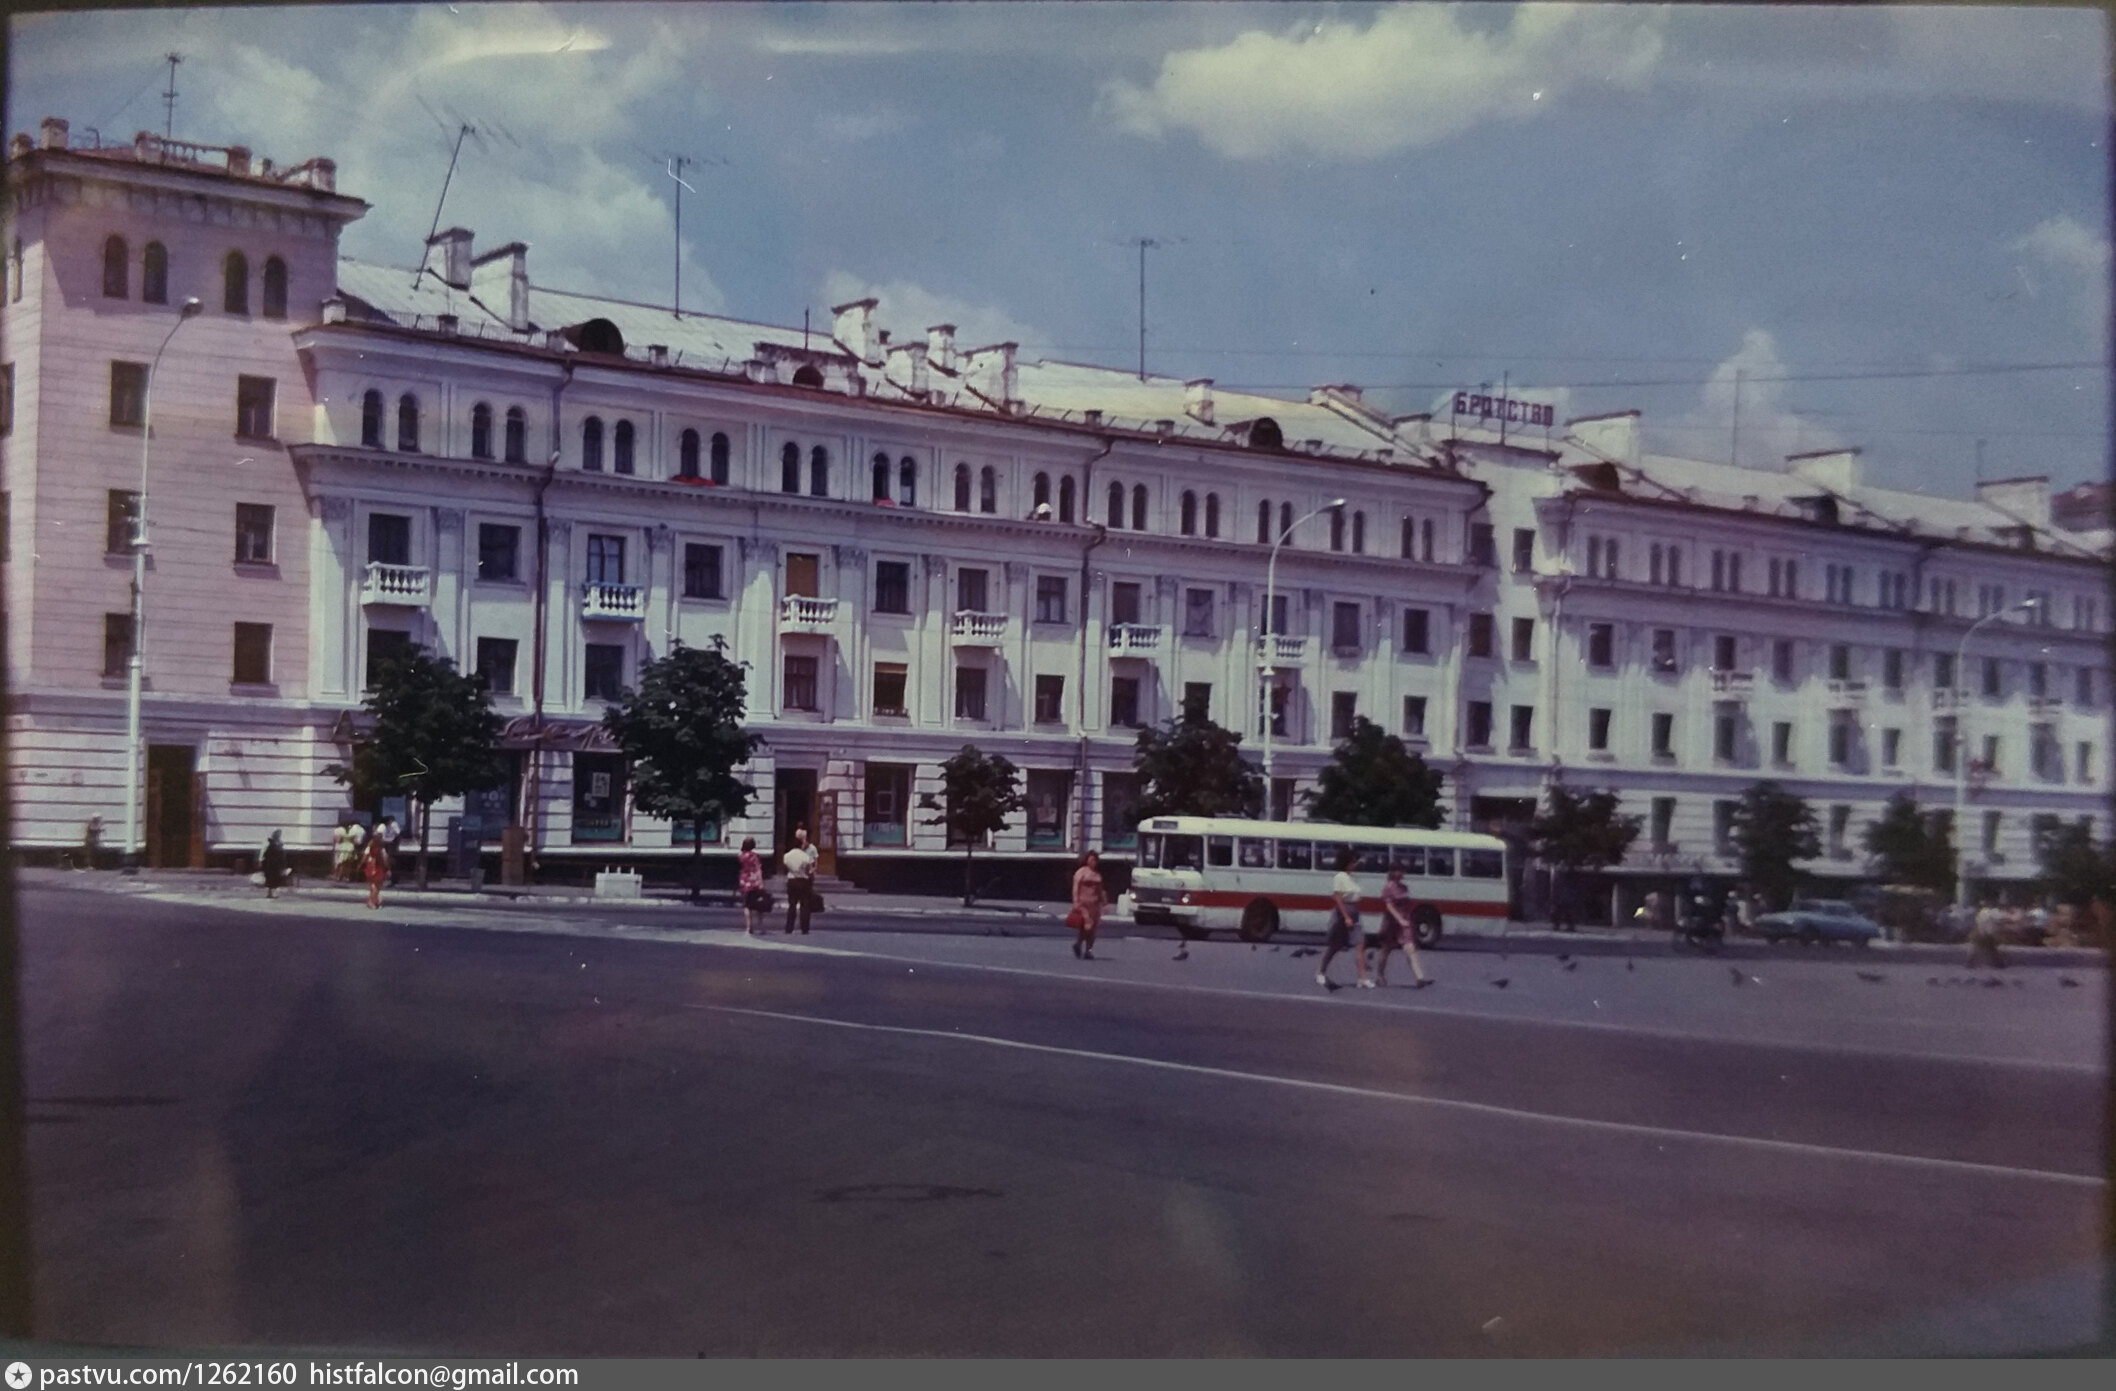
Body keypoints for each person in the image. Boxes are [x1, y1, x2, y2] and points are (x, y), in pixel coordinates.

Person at [1319, 847, 1372, 990]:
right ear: (1346, 863)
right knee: (1335, 946)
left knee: (1360, 944)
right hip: (1343, 914)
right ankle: (1321, 972)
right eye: (1352, 862)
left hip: (1355, 913)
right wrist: (1346, 917)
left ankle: (1362, 979)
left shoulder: (1351, 878)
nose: (1355, 865)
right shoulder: (1339, 877)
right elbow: (1338, 898)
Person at [1373, 863, 1431, 988]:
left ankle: (1419, 978)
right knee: (1386, 950)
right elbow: (1389, 906)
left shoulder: (1404, 887)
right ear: (1393, 872)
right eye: (1399, 871)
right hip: (1392, 923)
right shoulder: (1388, 887)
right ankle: (1380, 975)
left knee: (1410, 948)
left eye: (1403, 871)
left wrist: (1408, 920)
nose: (1402, 873)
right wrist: (1399, 920)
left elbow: (1407, 905)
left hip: (1405, 922)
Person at [1070, 850, 1107, 959]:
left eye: (1095, 860)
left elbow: (1101, 890)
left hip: (1094, 905)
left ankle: (1086, 950)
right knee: (1088, 926)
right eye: (1091, 860)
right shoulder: (1081, 872)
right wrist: (1075, 901)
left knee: (1092, 929)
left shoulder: (1097, 875)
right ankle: (1079, 945)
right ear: (1086, 860)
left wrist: (1104, 903)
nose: (1093, 862)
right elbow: (1075, 888)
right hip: (1083, 904)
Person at [782, 825, 816, 935]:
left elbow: (785, 866)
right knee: (805, 905)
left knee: (792, 905)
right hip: (803, 881)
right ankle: (804, 928)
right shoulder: (805, 857)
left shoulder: (787, 856)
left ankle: (789, 928)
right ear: (801, 845)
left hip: (792, 880)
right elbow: (809, 870)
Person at [737, 836, 767, 935]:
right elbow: (758, 869)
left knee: (747, 905)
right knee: (758, 905)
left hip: (744, 881)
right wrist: (761, 883)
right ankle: (761, 927)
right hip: (754, 881)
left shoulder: (740, 856)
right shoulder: (755, 856)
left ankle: (749, 927)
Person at [360, 826, 389, 910]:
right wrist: (387, 868)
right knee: (377, 886)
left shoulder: (369, 847)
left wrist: (361, 865)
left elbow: (364, 857)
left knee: (372, 886)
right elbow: (385, 859)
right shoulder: (381, 849)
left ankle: (374, 900)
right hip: (378, 867)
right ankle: (372, 901)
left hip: (370, 866)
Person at [259, 830, 289, 898]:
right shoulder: (272, 844)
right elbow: (267, 854)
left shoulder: (276, 844)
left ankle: (271, 893)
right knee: (272, 879)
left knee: (274, 879)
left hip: (274, 864)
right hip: (273, 864)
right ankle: (271, 893)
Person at [377, 816, 401, 885]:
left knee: (391, 861)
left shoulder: (394, 825)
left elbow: (397, 833)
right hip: (388, 843)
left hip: (391, 844)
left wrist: (394, 841)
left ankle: (393, 879)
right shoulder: (389, 826)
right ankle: (392, 878)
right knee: (389, 861)